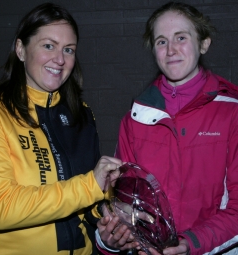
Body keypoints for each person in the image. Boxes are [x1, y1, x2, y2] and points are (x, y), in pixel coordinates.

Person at [96, 1, 238, 255]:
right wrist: (111, 237)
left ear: (203, 43)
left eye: (181, 37)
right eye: (161, 41)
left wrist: (191, 244)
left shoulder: (232, 112)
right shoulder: (135, 118)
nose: (171, 49)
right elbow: (124, 202)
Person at [0, 3, 123, 255]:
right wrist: (90, 185)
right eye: (48, 45)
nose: (60, 59)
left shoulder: (81, 113)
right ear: (20, 49)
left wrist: (110, 219)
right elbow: (1, 208)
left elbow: (90, 198)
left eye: (68, 49)